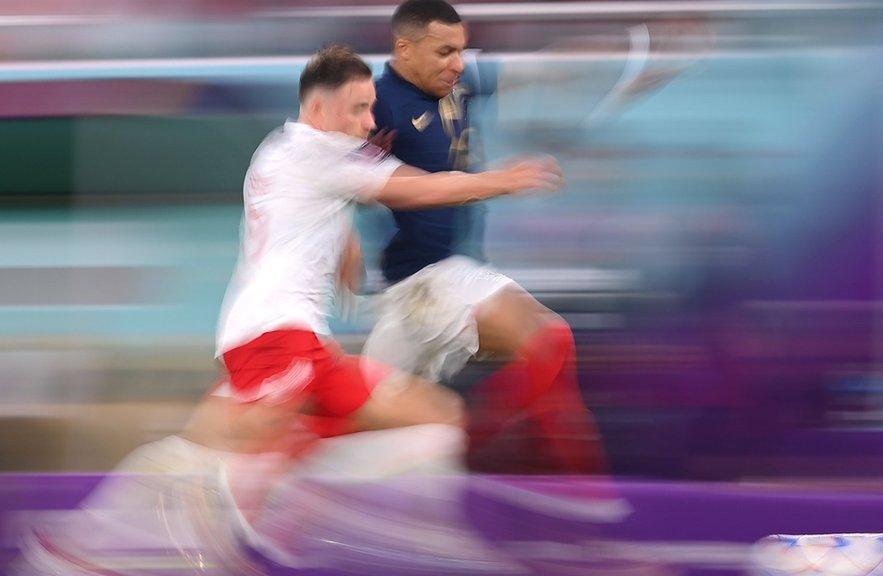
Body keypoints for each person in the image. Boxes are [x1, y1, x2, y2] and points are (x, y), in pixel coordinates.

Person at [16, 44, 564, 575]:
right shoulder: (325, 155)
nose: (370, 121)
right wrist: (505, 181)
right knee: (412, 422)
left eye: (372, 106)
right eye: (358, 108)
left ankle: (109, 547)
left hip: (271, 340)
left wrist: (343, 232)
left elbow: (310, 201)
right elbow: (422, 191)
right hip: (281, 340)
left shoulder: (280, 147)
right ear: (320, 108)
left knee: (414, 420)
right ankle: (204, 535)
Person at [362, 0, 606, 474]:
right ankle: (513, 472)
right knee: (550, 344)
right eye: (445, 52)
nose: (458, 63)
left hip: (439, 286)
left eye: (462, 50)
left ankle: (550, 496)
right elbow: (382, 185)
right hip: (424, 282)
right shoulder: (379, 105)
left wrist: (636, 46)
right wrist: (503, 181)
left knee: (387, 424)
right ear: (404, 48)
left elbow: (542, 68)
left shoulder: (457, 81)